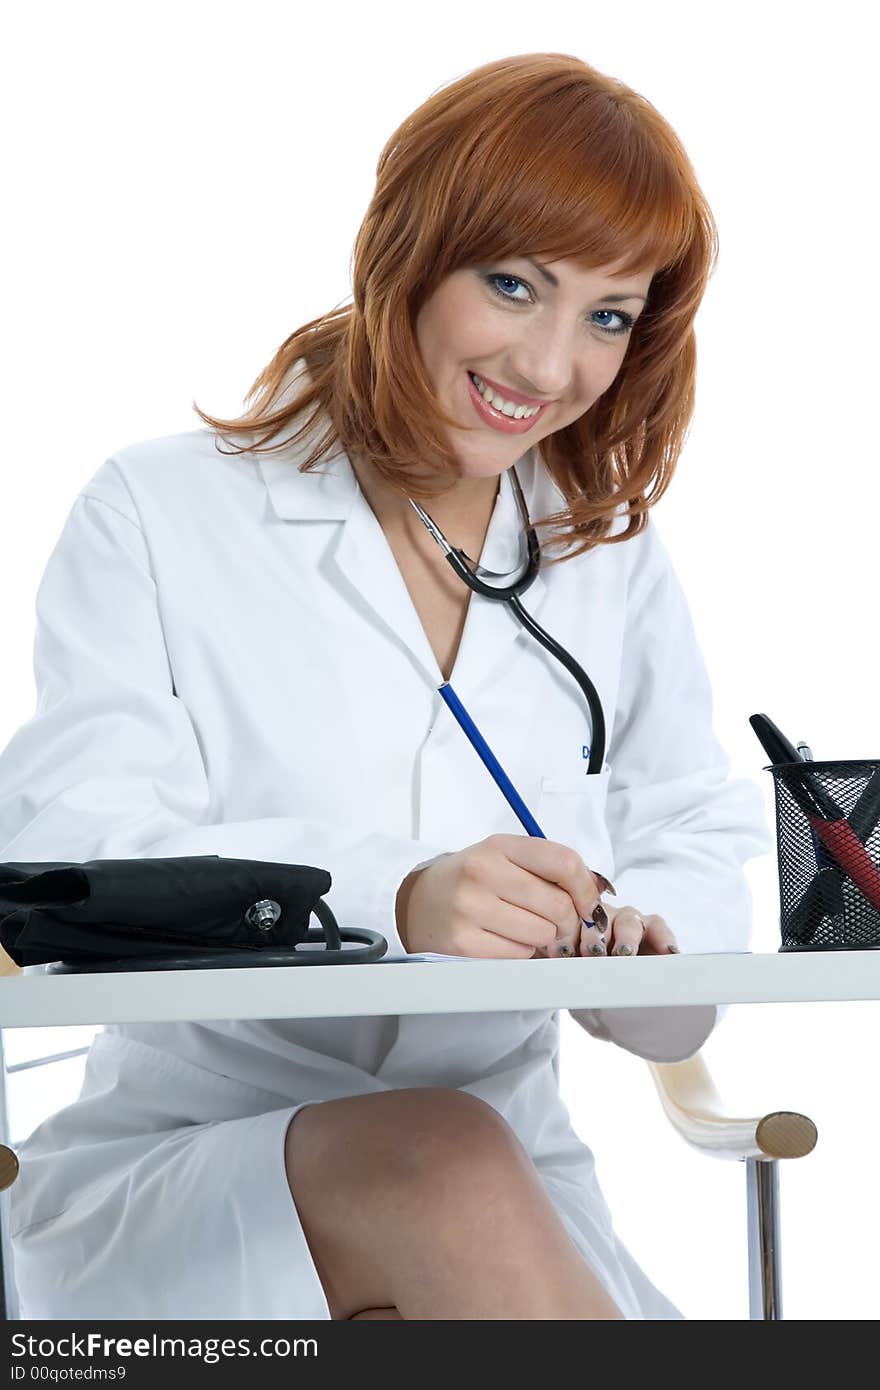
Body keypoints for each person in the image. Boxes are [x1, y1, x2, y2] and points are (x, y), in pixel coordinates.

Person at [1, 52, 772, 1320]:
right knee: (441, 1161)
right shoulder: (160, 508)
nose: (547, 364)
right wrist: (392, 895)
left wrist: (639, 950)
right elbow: (65, 855)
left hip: (512, 1183)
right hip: (199, 1164)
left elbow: (690, 828)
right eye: (512, 284)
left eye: (608, 315)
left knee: (459, 1160)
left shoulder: (604, 553)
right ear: (409, 250)